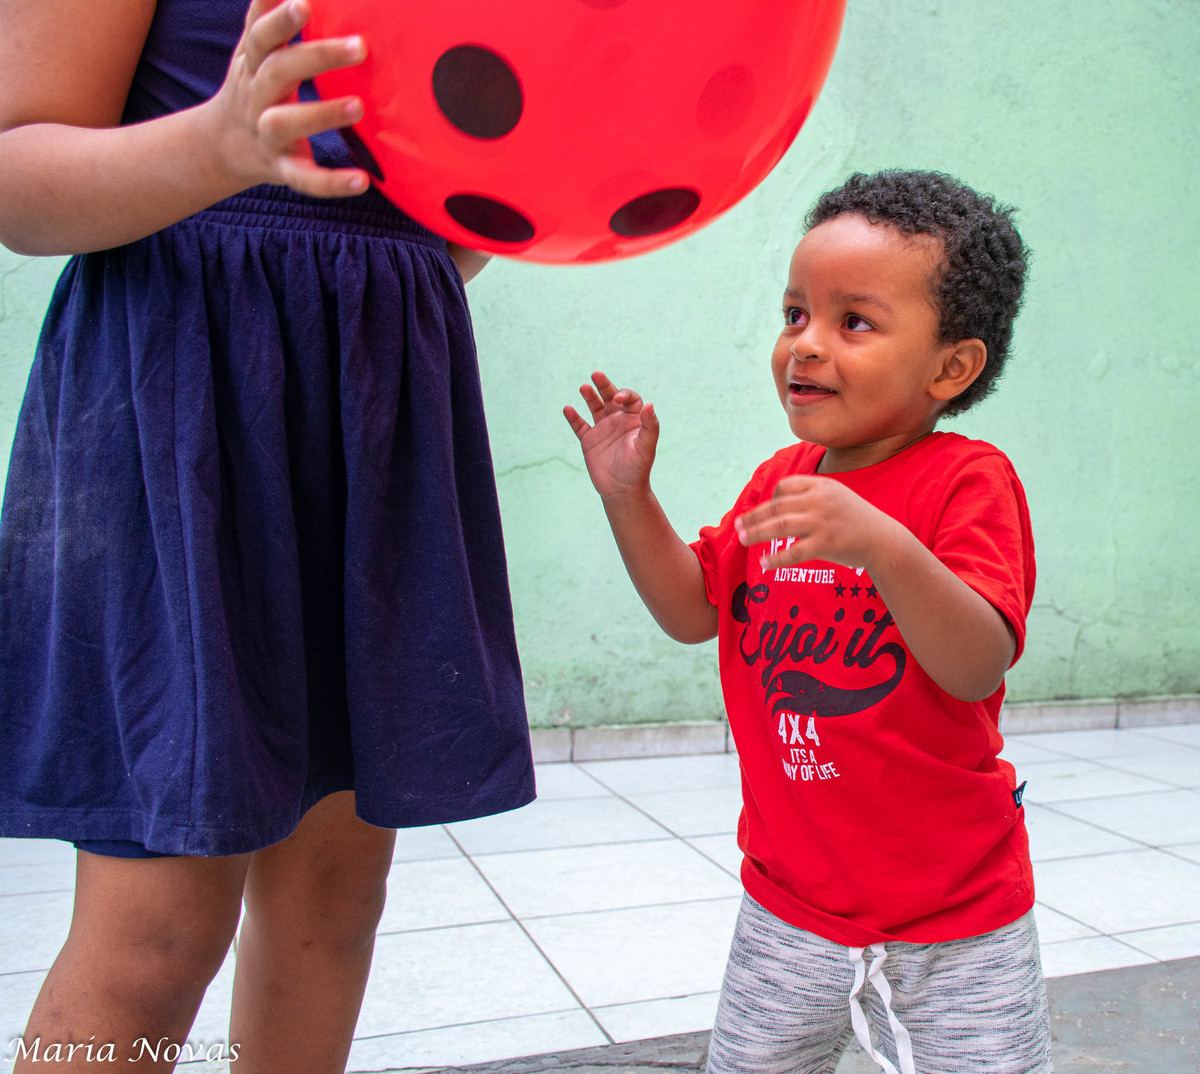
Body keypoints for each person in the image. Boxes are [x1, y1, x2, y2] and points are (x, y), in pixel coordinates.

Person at [0, 0, 534, 1070]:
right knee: (158, 932)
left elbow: (426, 228)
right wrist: (217, 146)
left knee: (335, 900)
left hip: (374, 397)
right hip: (181, 400)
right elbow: (17, 178)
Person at [565, 169, 1051, 1073]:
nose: (806, 346)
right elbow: (694, 610)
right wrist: (629, 500)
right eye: (796, 314)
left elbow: (978, 664)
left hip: (954, 915)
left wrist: (887, 548)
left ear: (951, 365)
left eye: (853, 322)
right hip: (789, 903)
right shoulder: (781, 477)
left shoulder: (969, 482)